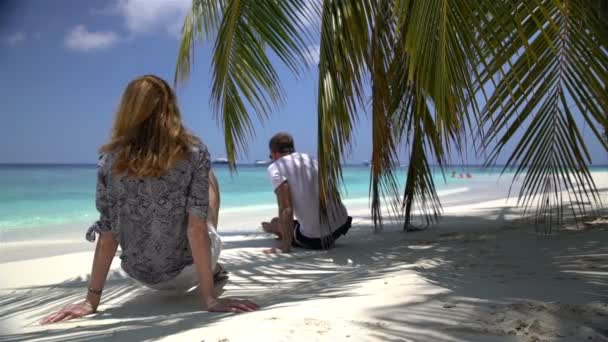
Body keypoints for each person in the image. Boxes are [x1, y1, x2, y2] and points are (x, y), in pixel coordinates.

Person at [41, 75, 258, 325]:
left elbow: (108, 235)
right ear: (171, 108)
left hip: (140, 275)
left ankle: (211, 268)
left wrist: (91, 301)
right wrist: (210, 299)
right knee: (208, 184)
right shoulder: (194, 153)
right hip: (189, 272)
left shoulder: (108, 161)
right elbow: (195, 229)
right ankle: (212, 269)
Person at [261, 132, 352, 253]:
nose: (272, 159)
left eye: (271, 156)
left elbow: (286, 208)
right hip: (342, 223)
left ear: (274, 153)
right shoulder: (311, 159)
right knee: (292, 222)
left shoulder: (275, 167)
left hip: (317, 238)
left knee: (275, 223)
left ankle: (269, 227)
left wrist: (285, 246)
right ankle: (271, 226)